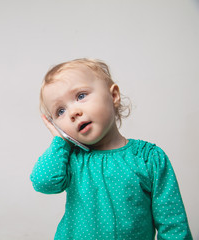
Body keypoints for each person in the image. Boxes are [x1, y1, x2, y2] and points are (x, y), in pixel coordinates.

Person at [30, 58, 192, 239]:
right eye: (60, 111)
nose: (73, 113)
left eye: (81, 96)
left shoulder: (149, 158)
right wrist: (60, 141)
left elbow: (173, 225)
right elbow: (43, 182)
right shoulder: (72, 159)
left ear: (113, 95)